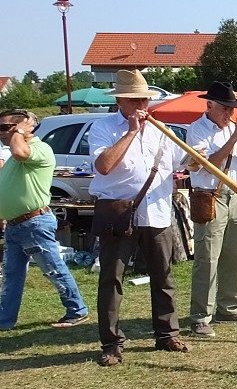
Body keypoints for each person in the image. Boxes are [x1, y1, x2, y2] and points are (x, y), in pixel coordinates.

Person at [89, 69, 187, 366]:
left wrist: (195, 161)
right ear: (120, 100)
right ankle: (111, 342)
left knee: (163, 276)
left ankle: (167, 333)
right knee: (112, 278)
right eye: (134, 100)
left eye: (145, 99)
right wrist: (131, 132)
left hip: (156, 212)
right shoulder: (103, 127)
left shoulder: (161, 131)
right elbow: (104, 166)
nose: (142, 105)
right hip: (118, 214)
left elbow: (178, 167)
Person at [0, 109, 88, 331]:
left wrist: (20, 131)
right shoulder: (13, 152)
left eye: (4, 128)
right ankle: (5, 320)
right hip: (16, 224)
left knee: (53, 269)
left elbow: (21, 152)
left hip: (33, 223)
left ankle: (77, 310)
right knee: (12, 275)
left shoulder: (39, 149)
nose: (0, 133)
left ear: (23, 127)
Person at [186, 81, 237, 338]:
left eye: (233, 109)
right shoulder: (196, 131)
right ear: (210, 105)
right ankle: (200, 317)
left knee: (235, 255)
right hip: (211, 195)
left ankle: (229, 307)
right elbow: (207, 165)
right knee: (207, 258)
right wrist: (235, 138)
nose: (230, 114)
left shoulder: (234, 130)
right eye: (226, 108)